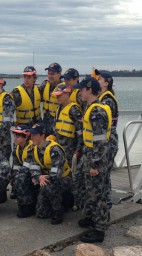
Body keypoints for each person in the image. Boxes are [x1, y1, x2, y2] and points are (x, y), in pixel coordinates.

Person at [73, 78, 112, 243]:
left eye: (81, 89)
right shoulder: (90, 108)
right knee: (88, 189)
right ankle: (91, 217)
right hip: (89, 154)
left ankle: (99, 229)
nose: (79, 92)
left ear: (89, 90)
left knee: (97, 193)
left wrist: (95, 164)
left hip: (96, 156)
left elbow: (101, 141)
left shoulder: (96, 112)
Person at [28, 123, 72, 225]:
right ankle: (58, 202)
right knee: (41, 213)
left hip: (64, 179)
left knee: (48, 185)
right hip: (46, 180)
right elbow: (33, 168)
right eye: (31, 134)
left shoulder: (55, 150)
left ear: (42, 136)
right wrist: (39, 177)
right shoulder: (34, 149)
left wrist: (41, 178)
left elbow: (55, 175)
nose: (32, 137)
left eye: (34, 135)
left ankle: (58, 210)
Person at [96, 69, 119, 213]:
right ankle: (106, 201)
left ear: (106, 83)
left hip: (109, 140)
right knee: (104, 173)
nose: (97, 81)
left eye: (99, 79)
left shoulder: (107, 100)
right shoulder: (103, 97)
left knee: (104, 173)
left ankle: (105, 204)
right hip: (107, 138)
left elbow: (103, 124)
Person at [52, 85, 83, 166]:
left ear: (66, 94)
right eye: (56, 95)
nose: (57, 97)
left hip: (70, 151)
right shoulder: (59, 109)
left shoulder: (74, 110)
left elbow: (80, 133)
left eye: (59, 95)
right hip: (59, 149)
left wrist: (77, 151)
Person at [11, 124, 38, 218]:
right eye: (15, 135)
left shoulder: (31, 148)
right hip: (25, 172)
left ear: (26, 137)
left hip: (36, 174)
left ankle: (27, 206)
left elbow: (27, 168)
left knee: (21, 178)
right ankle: (22, 201)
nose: (15, 138)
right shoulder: (16, 148)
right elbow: (16, 166)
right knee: (16, 177)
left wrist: (17, 178)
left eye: (18, 136)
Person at [39, 63, 65, 135]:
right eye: (49, 74)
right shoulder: (44, 85)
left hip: (58, 123)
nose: (50, 76)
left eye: (52, 74)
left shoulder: (64, 88)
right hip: (45, 122)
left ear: (59, 74)